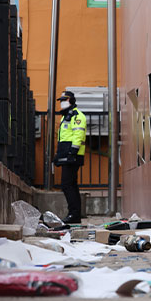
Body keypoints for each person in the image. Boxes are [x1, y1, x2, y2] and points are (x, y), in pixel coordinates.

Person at [53, 91, 87, 224]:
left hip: (73, 155)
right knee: (71, 185)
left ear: (71, 100)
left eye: (64, 99)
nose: (62, 102)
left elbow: (78, 134)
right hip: (67, 155)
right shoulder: (66, 116)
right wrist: (58, 155)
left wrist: (73, 151)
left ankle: (74, 214)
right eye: (61, 100)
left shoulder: (77, 116)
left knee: (67, 185)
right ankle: (75, 215)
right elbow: (63, 137)